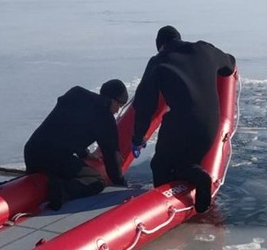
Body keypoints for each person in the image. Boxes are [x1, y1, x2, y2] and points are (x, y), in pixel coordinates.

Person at [131, 26, 236, 213]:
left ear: (159, 45)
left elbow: (144, 105)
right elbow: (229, 65)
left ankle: (167, 208)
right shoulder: (205, 49)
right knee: (186, 160)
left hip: (181, 124)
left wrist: (138, 138)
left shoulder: (159, 61)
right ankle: (195, 178)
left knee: (160, 165)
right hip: (211, 124)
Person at [24, 79, 129, 210]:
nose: (117, 111)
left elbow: (69, 127)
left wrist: (84, 153)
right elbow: (111, 157)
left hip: (31, 152)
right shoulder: (105, 119)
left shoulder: (76, 93)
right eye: (119, 106)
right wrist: (120, 183)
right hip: (54, 158)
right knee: (97, 180)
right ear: (113, 101)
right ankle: (62, 191)